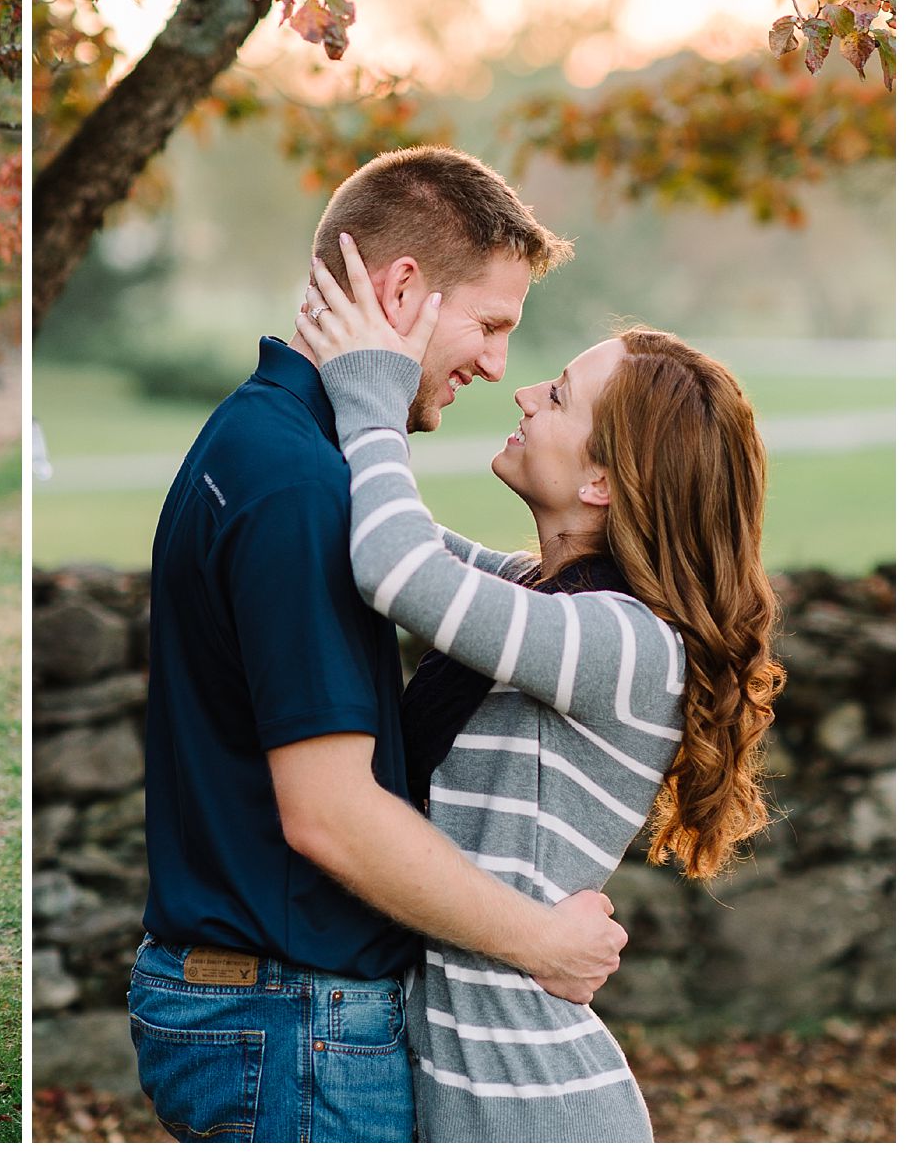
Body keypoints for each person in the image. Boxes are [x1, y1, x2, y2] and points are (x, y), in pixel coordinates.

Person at [130, 147, 625, 1143]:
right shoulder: (299, 488)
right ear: (403, 289)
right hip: (292, 1024)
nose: (495, 365)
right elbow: (331, 816)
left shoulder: (272, 444)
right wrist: (544, 943)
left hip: (274, 1015)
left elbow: (442, 572)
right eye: (490, 324)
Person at [295, 238, 781, 1140]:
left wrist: (373, 398)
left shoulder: (624, 642)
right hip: (481, 1096)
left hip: (540, 1110)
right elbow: (404, 533)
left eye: (556, 396)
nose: (522, 392)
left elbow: (398, 571)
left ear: (603, 480)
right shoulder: (538, 596)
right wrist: (364, 359)